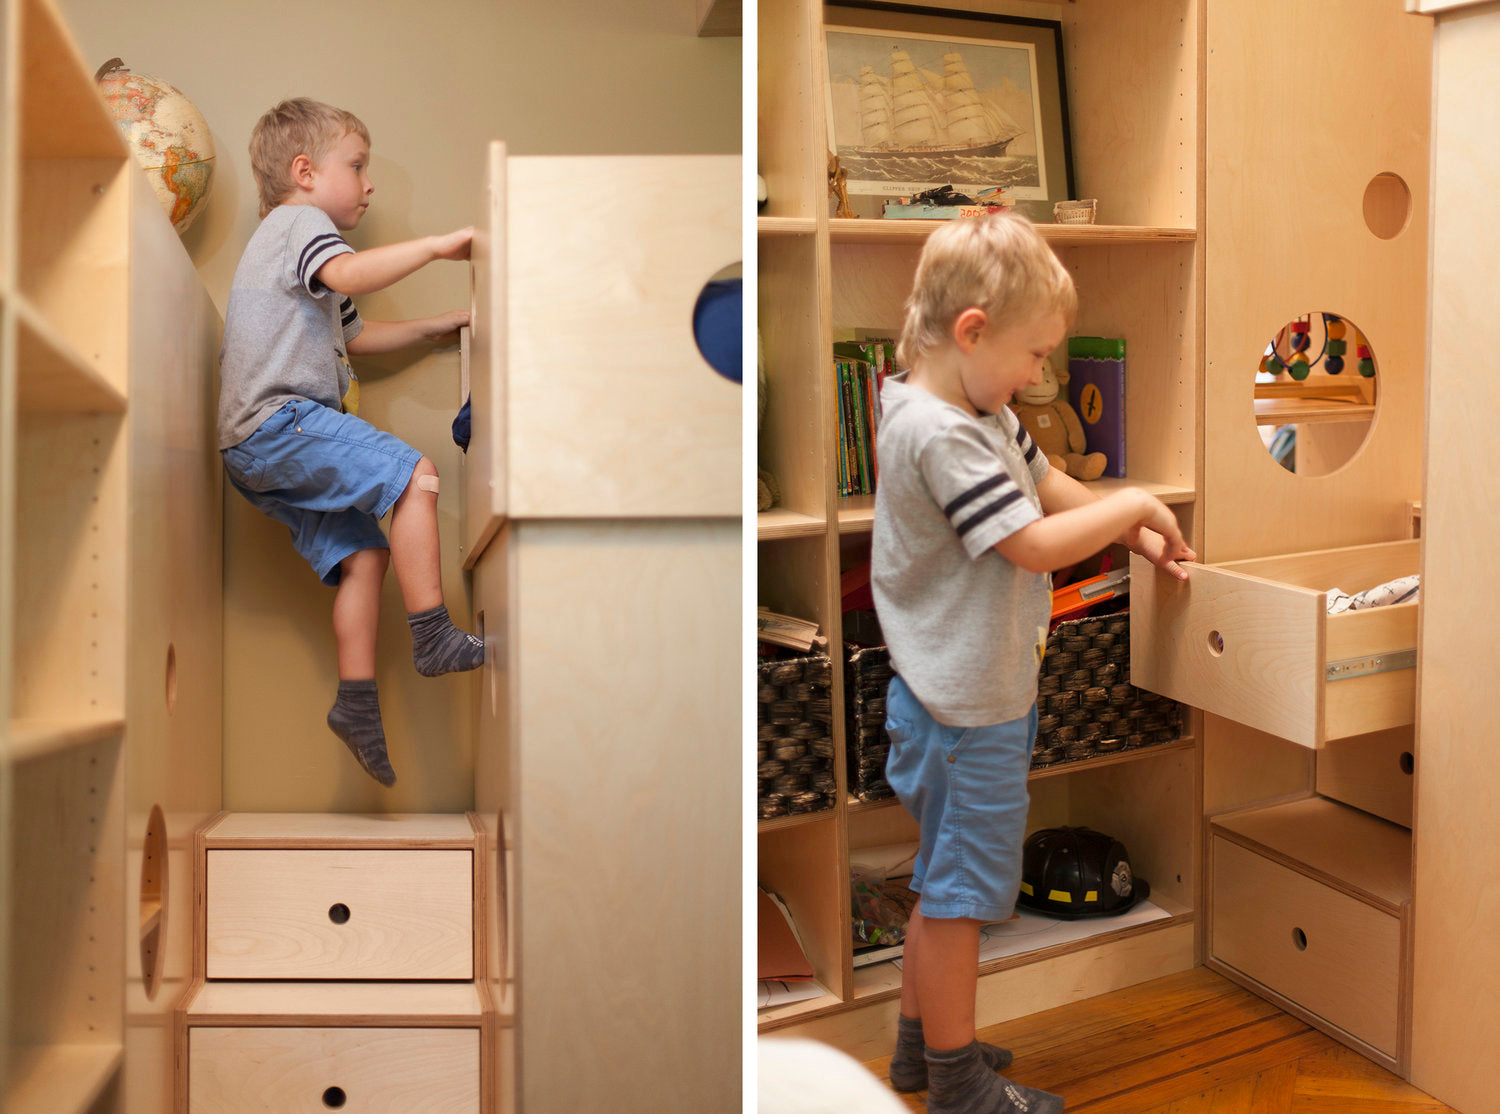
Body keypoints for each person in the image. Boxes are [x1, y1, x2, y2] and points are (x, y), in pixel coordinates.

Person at [871, 213, 1195, 1114]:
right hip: (962, 710)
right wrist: (1132, 499)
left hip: (964, 696)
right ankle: (957, 1083)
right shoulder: (941, 436)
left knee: (943, 886)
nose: (1041, 376)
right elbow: (1035, 544)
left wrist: (1133, 527)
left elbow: (1052, 488)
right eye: (1035, 354)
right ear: (971, 331)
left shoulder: (979, 410)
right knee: (959, 900)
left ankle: (918, 1048)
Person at [217, 97, 483, 788]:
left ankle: (356, 705)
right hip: (280, 420)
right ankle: (434, 635)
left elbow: (356, 339)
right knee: (413, 474)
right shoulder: (298, 225)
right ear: (304, 173)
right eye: (357, 166)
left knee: (365, 555)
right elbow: (346, 273)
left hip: (252, 450)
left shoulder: (298, 254)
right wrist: (433, 247)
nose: (369, 184)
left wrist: (434, 327)